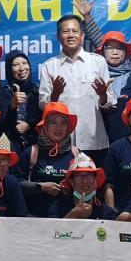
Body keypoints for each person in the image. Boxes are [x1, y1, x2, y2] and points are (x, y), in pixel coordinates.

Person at [39, 14, 115, 159]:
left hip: (93, 141)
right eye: (65, 31)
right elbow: (43, 105)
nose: (70, 35)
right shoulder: (49, 66)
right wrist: (55, 94)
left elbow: (110, 103)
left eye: (75, 31)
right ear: (58, 36)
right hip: (60, 143)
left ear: (82, 36)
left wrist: (103, 95)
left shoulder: (98, 62)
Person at [19, 102, 81, 217]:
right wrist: (40, 187)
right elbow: (16, 183)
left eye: (63, 123)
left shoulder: (76, 154)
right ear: (45, 126)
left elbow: (87, 185)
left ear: (68, 128)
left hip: (69, 219)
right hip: (34, 218)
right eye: (53, 122)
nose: (58, 127)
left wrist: (71, 188)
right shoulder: (31, 152)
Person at [53, 154, 119, 220]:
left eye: (89, 175)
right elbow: (51, 226)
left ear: (95, 179)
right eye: (79, 175)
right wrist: (73, 214)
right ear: (71, 181)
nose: (85, 181)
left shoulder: (106, 212)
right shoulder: (58, 206)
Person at [4, 49, 42, 146]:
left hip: (36, 145)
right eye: (15, 65)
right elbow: (1, 124)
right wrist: (12, 106)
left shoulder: (37, 90)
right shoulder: (5, 92)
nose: (22, 68)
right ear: (9, 69)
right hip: (11, 145)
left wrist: (30, 126)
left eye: (24, 63)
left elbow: (45, 119)